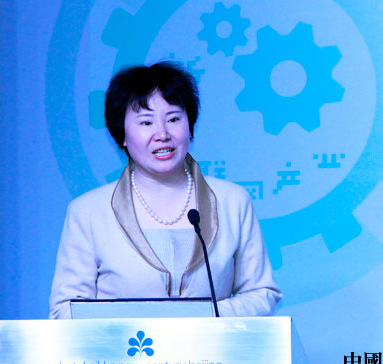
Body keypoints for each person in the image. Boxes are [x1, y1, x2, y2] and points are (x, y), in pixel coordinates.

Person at [49, 62, 281, 318]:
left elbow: (262, 293)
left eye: (173, 119)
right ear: (122, 135)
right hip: (122, 346)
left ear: (189, 126)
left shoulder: (232, 201)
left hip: (212, 345)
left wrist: (203, 317)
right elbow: (65, 310)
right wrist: (139, 324)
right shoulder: (88, 212)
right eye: (146, 122)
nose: (162, 134)